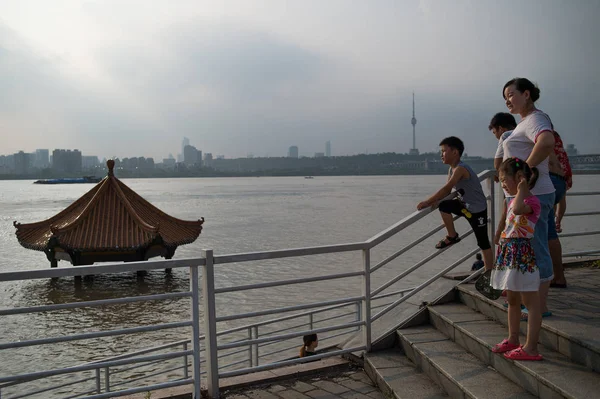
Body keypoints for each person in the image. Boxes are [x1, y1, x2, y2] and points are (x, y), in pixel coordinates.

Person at [498, 78, 556, 320]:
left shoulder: (536, 119)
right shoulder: (524, 123)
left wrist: (526, 171)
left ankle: (539, 307)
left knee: (537, 249)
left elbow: (547, 142)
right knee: (530, 249)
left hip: (536, 194)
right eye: (505, 97)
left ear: (527, 94)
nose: (507, 100)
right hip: (525, 196)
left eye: (511, 94)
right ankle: (530, 303)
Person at [491, 158, 543, 361]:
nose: (502, 183)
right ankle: (513, 338)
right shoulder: (513, 199)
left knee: (530, 302)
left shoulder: (530, 202)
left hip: (523, 256)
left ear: (520, 178)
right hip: (510, 254)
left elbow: (519, 210)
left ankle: (531, 347)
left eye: (505, 179)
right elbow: (509, 222)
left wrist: (521, 189)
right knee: (512, 299)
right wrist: (500, 237)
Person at [417, 136, 493, 270]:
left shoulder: (461, 169)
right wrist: (437, 201)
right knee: (444, 206)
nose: (441, 155)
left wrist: (427, 201)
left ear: (455, 152)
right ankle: (452, 236)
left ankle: (489, 275)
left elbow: (447, 188)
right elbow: (447, 192)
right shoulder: (451, 169)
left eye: (444, 151)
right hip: (464, 206)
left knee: (483, 243)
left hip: (477, 210)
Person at [548, 131, 573, 288]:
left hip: (548, 180)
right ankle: (558, 276)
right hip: (561, 180)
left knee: (546, 234)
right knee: (551, 232)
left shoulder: (538, 134)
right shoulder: (556, 140)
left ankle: (547, 276)